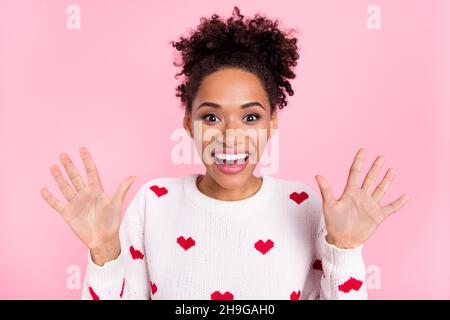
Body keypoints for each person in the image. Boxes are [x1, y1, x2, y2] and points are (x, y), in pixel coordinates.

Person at [40, 6, 409, 300]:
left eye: (250, 116)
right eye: (212, 116)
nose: (231, 135)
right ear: (188, 122)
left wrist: (345, 248)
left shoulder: (309, 208)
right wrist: (104, 251)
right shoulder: (154, 203)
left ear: (272, 122)